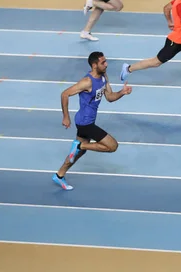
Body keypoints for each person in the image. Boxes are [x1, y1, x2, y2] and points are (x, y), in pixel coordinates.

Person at [52, 51, 132, 190]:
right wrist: (66, 116)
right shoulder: (87, 82)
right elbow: (64, 94)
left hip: (89, 121)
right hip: (84, 122)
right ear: (94, 65)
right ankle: (79, 146)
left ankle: (59, 175)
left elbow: (110, 97)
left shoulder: (103, 77)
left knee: (76, 154)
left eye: (106, 61)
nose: (106, 64)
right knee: (112, 146)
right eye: (103, 62)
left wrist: (122, 92)